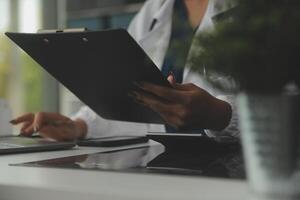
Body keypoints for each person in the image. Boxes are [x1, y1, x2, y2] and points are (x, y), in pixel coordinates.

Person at [10, 0, 239, 141]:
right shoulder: (155, 9)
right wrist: (78, 126)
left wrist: (220, 115)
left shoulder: (261, 10)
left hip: (235, 174)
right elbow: (129, 96)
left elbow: (275, 106)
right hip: (164, 168)